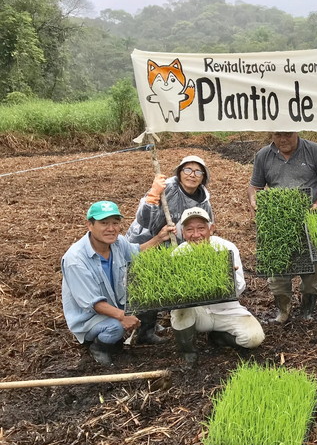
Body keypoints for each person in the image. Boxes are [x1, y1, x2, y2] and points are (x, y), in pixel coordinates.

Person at [61, 201, 175, 366]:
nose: (111, 228)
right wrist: (123, 316)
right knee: (116, 327)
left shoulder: (118, 243)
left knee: (150, 293)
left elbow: (137, 252)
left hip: (115, 303)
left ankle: (144, 335)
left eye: (115, 223)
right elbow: (94, 304)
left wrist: (159, 238)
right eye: (104, 223)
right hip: (90, 318)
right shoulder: (76, 260)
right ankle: (99, 347)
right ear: (90, 225)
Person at [125, 154, 214, 344]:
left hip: (174, 242)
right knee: (148, 281)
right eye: (187, 170)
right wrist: (153, 194)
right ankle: (145, 331)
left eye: (198, 171)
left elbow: (207, 225)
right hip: (148, 238)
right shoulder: (167, 188)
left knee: (168, 278)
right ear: (179, 172)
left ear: (204, 177)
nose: (192, 175)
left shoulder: (203, 198)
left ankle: (161, 320)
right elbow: (144, 220)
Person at [247, 132, 317, 323]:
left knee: (311, 271)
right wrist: (254, 200)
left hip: (311, 220)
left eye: (287, 134)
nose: (282, 139)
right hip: (277, 223)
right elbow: (255, 186)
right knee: (277, 270)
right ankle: (283, 311)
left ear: (297, 131)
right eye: (278, 135)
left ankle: (307, 311)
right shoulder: (264, 155)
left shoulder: (315, 152)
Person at [170, 207, 265, 366]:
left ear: (211, 229)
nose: (196, 234)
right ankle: (188, 351)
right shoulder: (179, 254)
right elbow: (174, 291)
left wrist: (230, 276)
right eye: (189, 230)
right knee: (179, 311)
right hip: (198, 312)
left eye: (201, 228)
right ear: (182, 233)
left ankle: (219, 337)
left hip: (227, 310)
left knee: (254, 338)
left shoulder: (226, 248)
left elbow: (240, 288)